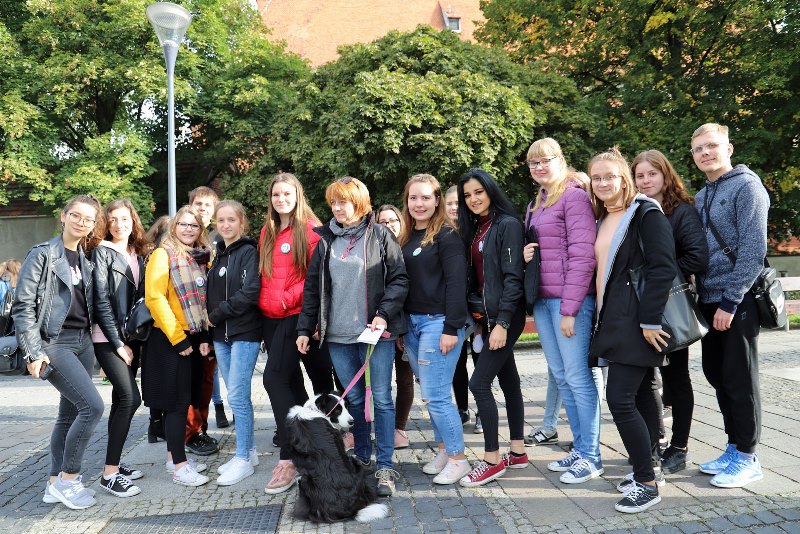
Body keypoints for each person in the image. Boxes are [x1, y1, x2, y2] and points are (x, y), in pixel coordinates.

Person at [296, 176, 409, 497]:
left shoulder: (381, 235)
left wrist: (383, 313)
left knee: (382, 398)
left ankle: (385, 464)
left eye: (343, 201)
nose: (337, 207)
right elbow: (313, 289)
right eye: (333, 202)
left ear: (359, 203)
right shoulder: (326, 240)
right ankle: (362, 455)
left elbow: (399, 279)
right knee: (355, 400)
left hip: (376, 333)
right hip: (338, 336)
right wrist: (304, 328)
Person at [588, 147, 676, 513]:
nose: (603, 183)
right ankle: (649, 468)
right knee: (638, 397)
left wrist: (650, 319)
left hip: (637, 322)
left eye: (609, 176)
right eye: (596, 177)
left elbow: (663, 267)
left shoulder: (644, 213)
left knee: (619, 399)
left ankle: (647, 483)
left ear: (624, 178)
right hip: (614, 320)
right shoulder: (603, 217)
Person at [13, 195, 105, 509]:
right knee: (92, 407)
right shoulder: (43, 254)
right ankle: (69, 478)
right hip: (54, 342)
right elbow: (23, 306)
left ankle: (54, 483)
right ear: (63, 216)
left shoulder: (85, 259)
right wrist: (33, 352)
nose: (81, 222)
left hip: (83, 342)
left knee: (69, 415)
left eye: (88, 219)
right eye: (76, 215)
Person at [691, 123, 769, 488]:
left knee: (740, 380)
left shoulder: (747, 186)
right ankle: (734, 446)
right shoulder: (701, 194)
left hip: (736, 300)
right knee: (718, 375)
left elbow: (754, 251)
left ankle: (749, 456)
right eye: (698, 149)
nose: (705, 153)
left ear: (729, 148)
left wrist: (731, 300)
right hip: (709, 300)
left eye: (711, 146)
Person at [523, 138, 603, 484]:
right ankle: (581, 448)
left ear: (561, 161)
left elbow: (583, 255)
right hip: (543, 301)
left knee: (578, 377)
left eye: (546, 160)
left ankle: (592, 456)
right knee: (561, 376)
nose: (540, 167)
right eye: (533, 163)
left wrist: (570, 308)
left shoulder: (574, 197)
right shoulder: (537, 202)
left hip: (568, 303)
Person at [632, 149, 709, 474]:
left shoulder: (681, 212)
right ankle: (653, 442)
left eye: (652, 174)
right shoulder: (634, 211)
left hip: (670, 308)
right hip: (639, 307)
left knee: (676, 377)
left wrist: (660, 274)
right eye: (640, 175)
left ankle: (679, 447)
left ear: (666, 175)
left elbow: (698, 257)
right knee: (647, 379)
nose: (646, 180)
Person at [259, 173, 333, 494]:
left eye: (287, 194)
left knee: (273, 379)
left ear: (298, 195)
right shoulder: (267, 230)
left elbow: (317, 277)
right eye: (276, 194)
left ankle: (290, 458)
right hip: (271, 319)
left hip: (296, 315)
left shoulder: (311, 229)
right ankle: (312, 441)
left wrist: (286, 298)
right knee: (289, 382)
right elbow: (265, 275)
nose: (281, 199)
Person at [456, 169, 529, 488]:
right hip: (486, 317)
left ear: (490, 191)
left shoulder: (507, 224)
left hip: (505, 317)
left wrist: (502, 323)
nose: (473, 199)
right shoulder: (476, 228)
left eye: (478, 192)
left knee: (479, 384)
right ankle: (518, 451)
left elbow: (513, 278)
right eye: (467, 195)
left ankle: (491, 459)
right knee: (509, 380)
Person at [398, 175, 469, 484]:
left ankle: (459, 459)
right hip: (412, 325)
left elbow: (456, 283)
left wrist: (451, 327)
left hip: (438, 323)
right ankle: (444, 450)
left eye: (426, 197)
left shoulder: (447, 235)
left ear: (437, 200)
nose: (419, 203)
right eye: (414, 197)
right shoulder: (405, 235)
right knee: (432, 395)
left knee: (437, 395)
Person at [142, 206, 212, 487]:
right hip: (170, 339)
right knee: (176, 404)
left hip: (193, 336)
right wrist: (178, 338)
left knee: (185, 401)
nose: (188, 229)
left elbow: (204, 301)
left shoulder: (200, 257)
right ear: (174, 227)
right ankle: (180, 468)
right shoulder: (163, 254)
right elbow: (155, 298)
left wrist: (204, 337)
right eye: (183, 224)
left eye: (194, 226)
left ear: (200, 230)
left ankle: (175, 457)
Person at [92, 199, 152, 497]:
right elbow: (101, 300)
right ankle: (109, 475)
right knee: (130, 398)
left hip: (131, 336)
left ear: (133, 221)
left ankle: (114, 462)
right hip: (107, 337)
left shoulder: (136, 253)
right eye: (113, 219)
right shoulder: (102, 252)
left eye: (124, 218)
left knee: (120, 400)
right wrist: (117, 343)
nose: (119, 224)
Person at [206, 200, 261, 486]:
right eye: (221, 220)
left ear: (242, 222)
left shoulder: (249, 251)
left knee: (238, 396)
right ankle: (248, 452)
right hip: (221, 336)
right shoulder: (217, 255)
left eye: (231, 220)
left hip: (244, 333)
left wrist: (218, 314)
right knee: (235, 396)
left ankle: (242, 458)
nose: (225, 225)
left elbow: (250, 292)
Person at [188, 186, 229, 442]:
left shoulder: (219, 238)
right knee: (190, 378)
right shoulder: (182, 235)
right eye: (198, 204)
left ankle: (201, 427)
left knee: (206, 376)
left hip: (212, 318)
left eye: (207, 204)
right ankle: (187, 432)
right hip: (187, 319)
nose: (203, 208)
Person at [376, 204, 414, 450]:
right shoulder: (375, 247)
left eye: (393, 220)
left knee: (404, 377)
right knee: (379, 381)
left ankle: (399, 427)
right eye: (383, 222)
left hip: (409, 321)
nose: (389, 225)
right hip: (384, 320)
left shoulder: (409, 247)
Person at [445, 185, 474, 428]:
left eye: (458, 203)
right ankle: (462, 408)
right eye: (450, 203)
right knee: (458, 363)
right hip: (454, 309)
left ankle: (483, 411)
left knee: (482, 361)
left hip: (477, 306)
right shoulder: (441, 233)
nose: (454, 207)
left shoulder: (474, 230)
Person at [143, 215, 171, 444]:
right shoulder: (160, 256)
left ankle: (155, 424)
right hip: (160, 324)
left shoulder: (148, 254)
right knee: (164, 380)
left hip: (152, 326)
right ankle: (158, 425)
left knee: (157, 379)